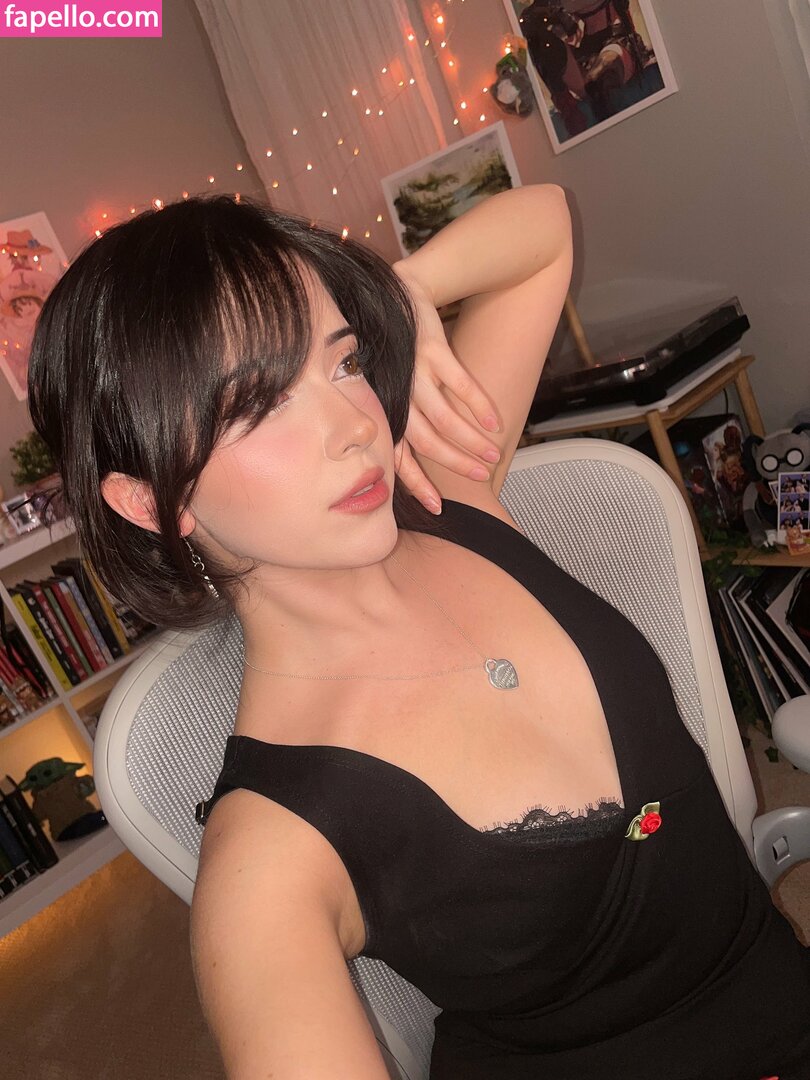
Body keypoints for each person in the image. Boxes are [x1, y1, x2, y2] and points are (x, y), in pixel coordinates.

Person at [27, 185, 810, 1079]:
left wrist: (400, 299)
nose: (356, 426)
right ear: (147, 501)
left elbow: (544, 226)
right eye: (258, 405)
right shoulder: (268, 863)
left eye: (343, 363)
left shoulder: (446, 494)